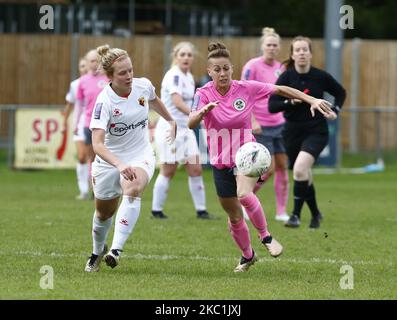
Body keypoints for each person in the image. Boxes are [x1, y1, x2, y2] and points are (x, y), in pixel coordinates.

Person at [188, 42, 334, 272]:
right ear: (209, 72)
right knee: (234, 217)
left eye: (226, 68)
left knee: (244, 194)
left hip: (247, 155)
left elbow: (282, 89)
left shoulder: (246, 88)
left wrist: (312, 100)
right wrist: (202, 113)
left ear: (232, 68)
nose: (222, 73)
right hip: (220, 161)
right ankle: (248, 256)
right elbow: (190, 122)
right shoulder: (203, 93)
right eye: (217, 70)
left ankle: (266, 237)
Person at [84, 45, 176, 272]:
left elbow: (154, 100)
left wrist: (171, 120)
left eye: (130, 70)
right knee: (103, 214)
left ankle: (115, 250)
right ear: (110, 77)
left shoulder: (142, 86)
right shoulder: (104, 102)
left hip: (140, 153)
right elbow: (97, 144)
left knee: (133, 188)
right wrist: (119, 164)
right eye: (122, 73)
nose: (129, 76)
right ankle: (97, 251)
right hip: (109, 161)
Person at [268, 36, 346, 229]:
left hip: (316, 131)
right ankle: (316, 214)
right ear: (292, 55)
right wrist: (289, 102)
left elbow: (340, 92)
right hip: (292, 132)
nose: (302, 53)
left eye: (305, 49)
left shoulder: (321, 76)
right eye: (298, 50)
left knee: (300, 169)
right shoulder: (286, 78)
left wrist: (334, 111)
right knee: (303, 174)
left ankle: (295, 215)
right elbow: (272, 106)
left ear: (311, 54)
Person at [152, 42, 213, 220]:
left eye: (189, 55)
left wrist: (198, 114)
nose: (186, 58)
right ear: (176, 57)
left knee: (195, 169)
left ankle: (201, 210)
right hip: (171, 128)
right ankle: (156, 210)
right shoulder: (174, 76)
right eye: (183, 54)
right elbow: (177, 103)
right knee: (169, 170)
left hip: (185, 128)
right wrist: (200, 114)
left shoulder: (188, 76)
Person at [241, 27, 289, 222]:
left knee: (282, 167)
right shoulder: (252, 66)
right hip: (261, 125)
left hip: (280, 124)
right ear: (262, 46)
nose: (271, 48)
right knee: (266, 170)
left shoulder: (281, 68)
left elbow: (284, 93)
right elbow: (243, 94)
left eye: (275, 45)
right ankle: (246, 198)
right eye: (268, 45)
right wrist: (252, 120)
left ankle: (281, 211)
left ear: (279, 48)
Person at [76, 49, 109, 193]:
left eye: (96, 60)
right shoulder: (82, 81)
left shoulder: (108, 78)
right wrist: (76, 123)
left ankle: (107, 186)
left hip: (106, 124)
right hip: (89, 124)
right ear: (87, 63)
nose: (94, 63)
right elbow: (79, 104)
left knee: (107, 157)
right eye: (91, 61)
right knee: (92, 158)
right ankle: (93, 186)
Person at [62, 58, 89, 200]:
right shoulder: (75, 85)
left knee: (95, 158)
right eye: (81, 66)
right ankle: (84, 190)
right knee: (82, 156)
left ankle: (98, 190)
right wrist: (64, 121)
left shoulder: (100, 82)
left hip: (95, 122)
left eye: (86, 65)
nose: (84, 68)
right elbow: (70, 105)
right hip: (80, 123)